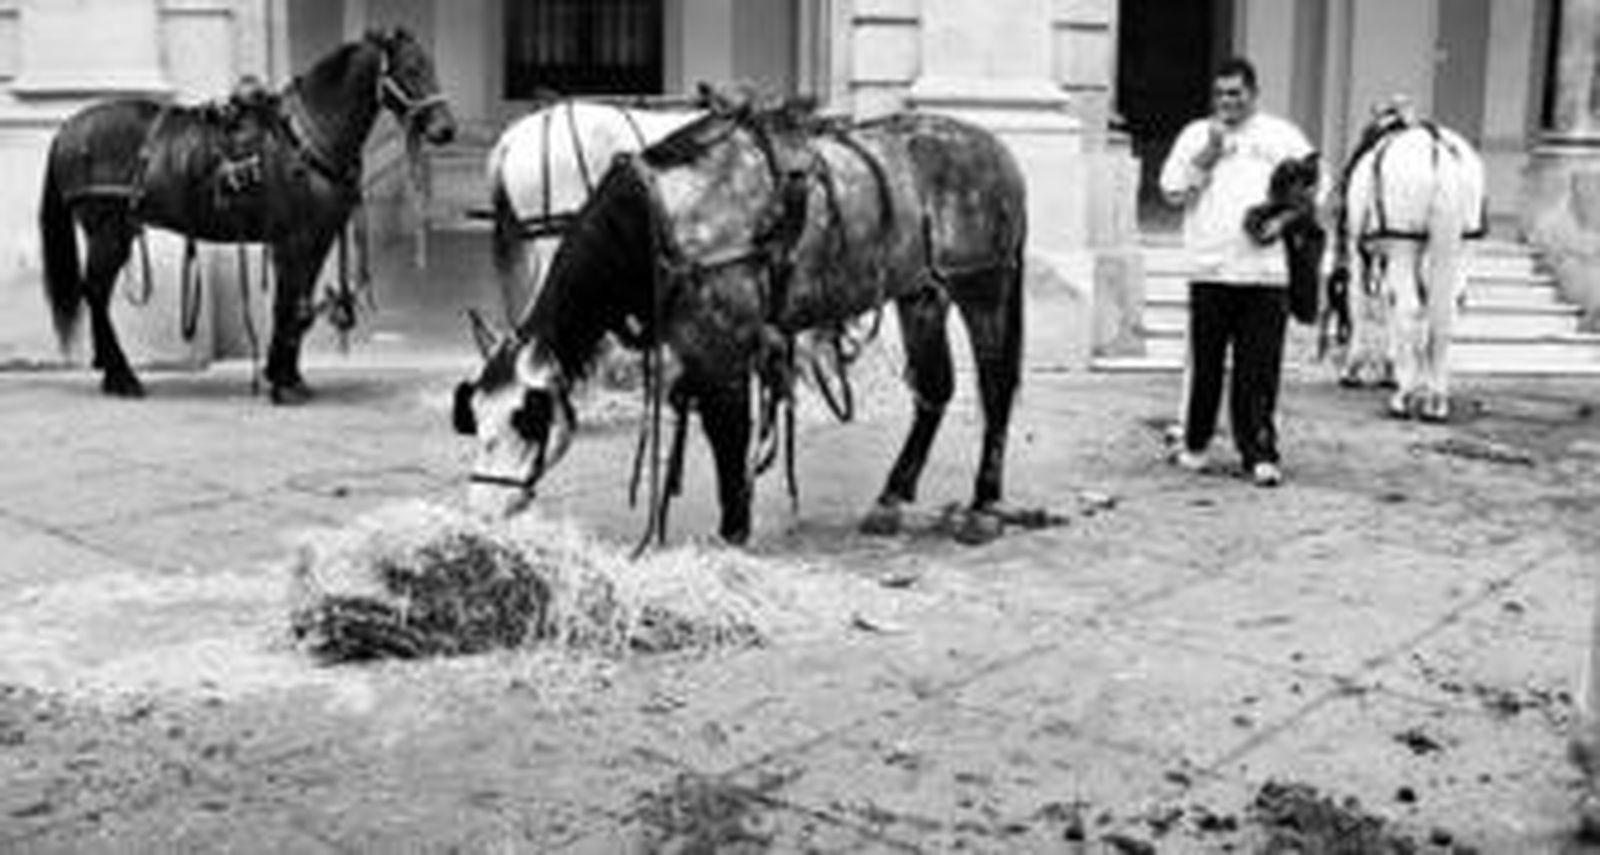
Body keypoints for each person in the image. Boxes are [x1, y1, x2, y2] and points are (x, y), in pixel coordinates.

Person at [1159, 56, 1315, 488]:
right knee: (1205, 366)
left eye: (1235, 94)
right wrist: (1207, 155)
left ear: (1253, 94)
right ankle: (1195, 445)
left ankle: (1259, 454)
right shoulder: (1196, 134)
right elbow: (1172, 192)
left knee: (1258, 370)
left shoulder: (1282, 135)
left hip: (1265, 274)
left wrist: (1284, 221)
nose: (1227, 101)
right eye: (1220, 94)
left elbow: (1315, 188)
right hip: (1209, 269)